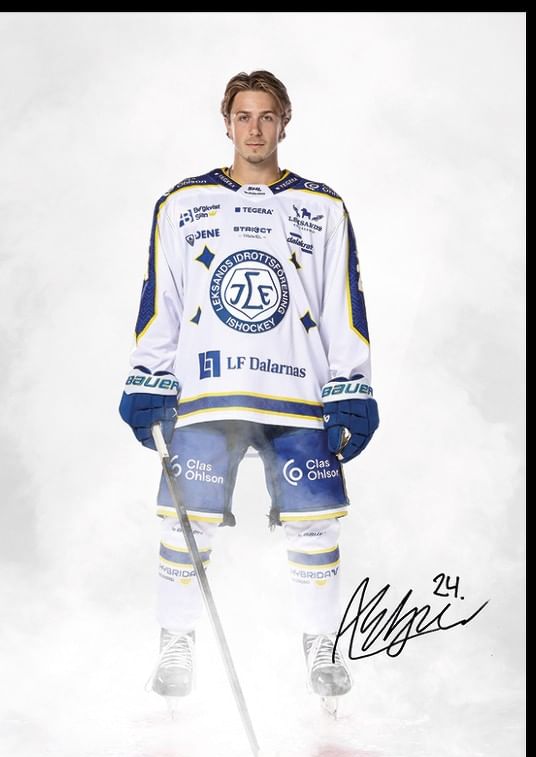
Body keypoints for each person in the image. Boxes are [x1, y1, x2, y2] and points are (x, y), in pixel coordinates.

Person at [119, 70, 379, 704]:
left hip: (298, 392)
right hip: (209, 390)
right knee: (187, 522)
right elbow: (162, 299)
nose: (254, 129)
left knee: (315, 524)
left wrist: (351, 387)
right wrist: (149, 377)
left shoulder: (323, 208)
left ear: (284, 122)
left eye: (266, 116)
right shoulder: (182, 204)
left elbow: (342, 304)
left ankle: (321, 645)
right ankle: (176, 643)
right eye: (243, 116)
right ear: (227, 122)